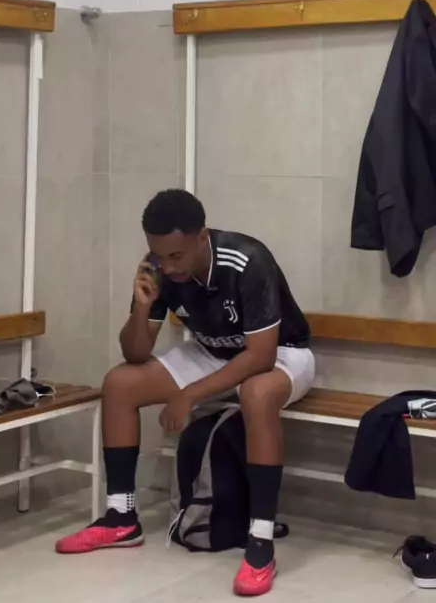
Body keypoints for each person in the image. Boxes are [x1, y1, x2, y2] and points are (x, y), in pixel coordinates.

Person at [55, 189, 315, 597]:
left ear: (202, 237)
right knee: (119, 383)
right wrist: (142, 306)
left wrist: (189, 394)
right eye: (159, 256)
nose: (168, 266)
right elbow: (135, 353)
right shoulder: (157, 267)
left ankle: (261, 541)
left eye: (176, 256)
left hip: (283, 354)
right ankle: (121, 518)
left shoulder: (248, 260)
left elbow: (261, 356)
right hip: (210, 351)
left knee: (257, 393)